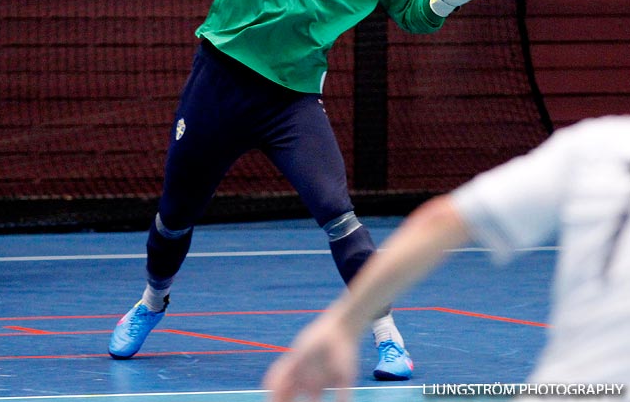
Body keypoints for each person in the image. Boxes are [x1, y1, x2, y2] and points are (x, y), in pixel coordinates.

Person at [88, 0, 490, 379]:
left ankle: (387, 336)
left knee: (339, 213)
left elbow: (412, 12)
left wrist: (441, 5)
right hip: (222, 80)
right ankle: (153, 301)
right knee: (174, 215)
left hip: (292, 100)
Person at [263, 115, 630, 401]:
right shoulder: (594, 149)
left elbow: (439, 222)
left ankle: (387, 338)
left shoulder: (597, 147)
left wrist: (341, 325)